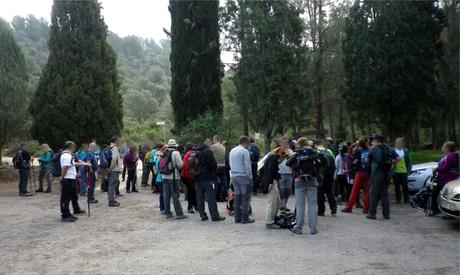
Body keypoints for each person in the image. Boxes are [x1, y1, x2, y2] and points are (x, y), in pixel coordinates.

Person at [287, 137, 320, 235]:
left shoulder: (296, 153)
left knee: (300, 205)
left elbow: (288, 163)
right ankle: (313, 229)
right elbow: (320, 160)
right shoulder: (312, 152)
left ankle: (298, 228)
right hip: (312, 180)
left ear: (298, 144)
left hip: (299, 181)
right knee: (313, 205)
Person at [366, 135, 399, 220]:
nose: (372, 142)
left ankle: (372, 213)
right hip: (387, 173)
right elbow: (398, 158)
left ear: (376, 141)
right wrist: (392, 167)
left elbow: (366, 160)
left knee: (374, 193)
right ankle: (386, 214)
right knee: (384, 194)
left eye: (373, 140)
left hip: (377, 172)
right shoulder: (389, 149)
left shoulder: (373, 149)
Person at [195, 138, 225, 222]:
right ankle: (215, 216)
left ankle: (202, 215)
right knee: (211, 197)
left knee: (200, 197)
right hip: (208, 177)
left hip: (197, 176)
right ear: (207, 143)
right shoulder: (207, 151)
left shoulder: (196, 151)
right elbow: (213, 164)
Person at [60, 141, 90, 222]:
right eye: (74, 147)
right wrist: (62, 177)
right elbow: (65, 167)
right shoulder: (67, 156)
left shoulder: (69, 155)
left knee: (73, 195)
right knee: (65, 198)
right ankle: (65, 215)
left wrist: (84, 164)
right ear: (71, 147)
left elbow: (73, 164)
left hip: (71, 178)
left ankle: (74, 210)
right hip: (67, 179)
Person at [342, 137, 371, 214]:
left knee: (355, 190)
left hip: (359, 172)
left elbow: (354, 162)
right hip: (368, 173)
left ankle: (349, 207)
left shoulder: (357, 151)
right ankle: (366, 209)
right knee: (367, 191)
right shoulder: (370, 150)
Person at [229, 136, 254, 224]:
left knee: (237, 197)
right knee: (245, 198)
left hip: (234, 176)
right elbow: (248, 166)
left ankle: (237, 217)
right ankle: (245, 218)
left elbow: (230, 164)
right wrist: (250, 178)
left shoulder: (232, 150)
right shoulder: (245, 151)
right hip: (243, 176)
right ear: (246, 142)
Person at [430, 141, 459, 215]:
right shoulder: (446, 155)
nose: (442, 148)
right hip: (443, 179)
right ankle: (441, 210)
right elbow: (441, 166)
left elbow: (445, 168)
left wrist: (436, 169)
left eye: (443, 146)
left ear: (447, 148)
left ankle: (437, 210)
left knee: (440, 195)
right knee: (439, 195)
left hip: (447, 179)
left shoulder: (450, 156)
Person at [161, 139, 187, 219]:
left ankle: (168, 213)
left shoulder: (164, 152)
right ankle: (179, 213)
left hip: (164, 176)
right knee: (175, 195)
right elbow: (180, 165)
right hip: (174, 177)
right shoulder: (176, 153)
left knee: (166, 195)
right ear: (175, 146)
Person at [262, 147, 285, 228]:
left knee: (277, 201)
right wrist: (270, 183)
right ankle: (269, 222)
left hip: (272, 181)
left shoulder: (271, 156)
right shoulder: (274, 157)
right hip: (271, 182)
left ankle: (272, 219)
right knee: (272, 202)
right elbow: (270, 170)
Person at [316, 140, 337, 216]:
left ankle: (321, 211)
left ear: (316, 145)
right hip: (330, 174)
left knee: (320, 193)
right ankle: (333, 209)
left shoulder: (316, 151)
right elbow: (334, 161)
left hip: (321, 175)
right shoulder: (329, 151)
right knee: (329, 192)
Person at [392, 137, 412, 204]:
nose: (397, 144)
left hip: (404, 171)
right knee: (397, 186)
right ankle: (398, 199)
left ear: (402, 144)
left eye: (399, 143)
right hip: (396, 172)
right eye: (396, 143)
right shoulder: (393, 151)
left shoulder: (405, 151)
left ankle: (406, 199)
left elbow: (409, 161)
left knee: (405, 185)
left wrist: (409, 170)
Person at [181, 143, 197, 213]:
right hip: (188, 176)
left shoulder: (186, 155)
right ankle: (191, 207)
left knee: (192, 191)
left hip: (187, 176)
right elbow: (187, 167)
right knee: (192, 191)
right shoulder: (188, 155)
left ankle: (194, 206)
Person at [210, 135, 228, 202]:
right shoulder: (223, 147)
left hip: (216, 166)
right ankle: (224, 195)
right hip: (223, 165)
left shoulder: (213, 147)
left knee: (214, 182)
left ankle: (214, 195)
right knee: (223, 181)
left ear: (215, 140)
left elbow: (210, 155)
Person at [278, 137, 293, 212]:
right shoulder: (278, 151)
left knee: (288, 190)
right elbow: (276, 162)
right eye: (283, 143)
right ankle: (282, 205)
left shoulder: (290, 151)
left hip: (289, 173)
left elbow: (293, 161)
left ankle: (284, 203)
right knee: (281, 190)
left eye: (286, 143)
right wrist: (283, 157)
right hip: (280, 173)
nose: (285, 144)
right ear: (280, 143)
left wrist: (290, 156)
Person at [107, 136, 122, 207]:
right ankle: (111, 201)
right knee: (112, 185)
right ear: (116, 141)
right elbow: (114, 159)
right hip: (114, 169)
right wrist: (110, 168)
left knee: (112, 184)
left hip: (112, 169)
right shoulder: (114, 148)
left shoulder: (110, 147)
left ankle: (111, 199)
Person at [155, 145, 166, 214]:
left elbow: (157, 167)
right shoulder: (161, 158)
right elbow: (157, 167)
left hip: (159, 178)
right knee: (162, 194)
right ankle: (162, 209)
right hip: (161, 178)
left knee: (163, 194)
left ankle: (163, 208)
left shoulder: (160, 157)